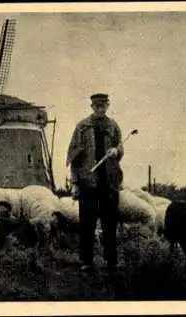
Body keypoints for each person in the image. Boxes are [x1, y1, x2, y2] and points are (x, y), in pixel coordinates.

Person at [66, 93, 124, 273]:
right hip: (88, 182)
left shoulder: (113, 126)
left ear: (107, 106)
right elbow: (73, 156)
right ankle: (86, 261)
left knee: (110, 222)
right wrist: (75, 182)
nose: (100, 109)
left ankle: (111, 261)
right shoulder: (82, 127)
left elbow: (121, 149)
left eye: (103, 106)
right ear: (92, 107)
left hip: (109, 182)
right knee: (87, 223)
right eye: (97, 106)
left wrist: (116, 151)